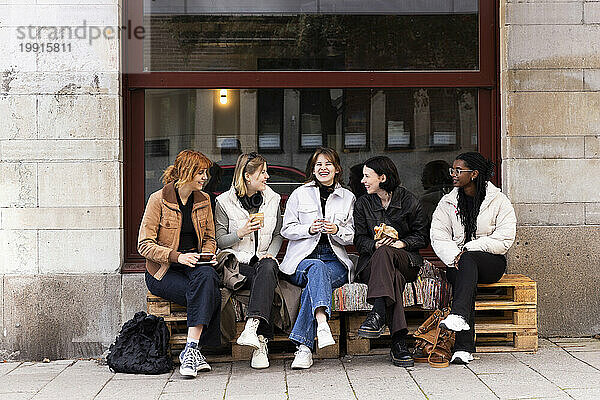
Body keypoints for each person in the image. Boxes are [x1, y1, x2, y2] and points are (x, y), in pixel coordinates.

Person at [138, 149, 219, 378]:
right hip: (163, 271)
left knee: (208, 277)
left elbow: (210, 238)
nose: (205, 177)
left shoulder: (204, 200)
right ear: (186, 173)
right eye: (200, 173)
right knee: (209, 292)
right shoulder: (158, 200)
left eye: (206, 173)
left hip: (194, 264)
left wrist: (207, 255)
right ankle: (196, 351)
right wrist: (177, 256)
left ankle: (190, 350)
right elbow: (144, 245)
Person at [431, 152, 516, 365]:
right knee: (464, 272)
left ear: (475, 174)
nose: (453, 174)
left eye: (459, 170)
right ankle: (462, 346)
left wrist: (468, 249)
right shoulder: (447, 202)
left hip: (491, 262)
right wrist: (455, 256)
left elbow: (504, 238)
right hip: (457, 262)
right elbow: (438, 237)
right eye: (453, 170)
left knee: (467, 264)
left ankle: (463, 339)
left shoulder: (498, 201)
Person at [280, 147, 355, 369]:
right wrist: (309, 229)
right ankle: (321, 323)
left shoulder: (347, 197)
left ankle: (304, 348)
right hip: (303, 259)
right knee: (316, 268)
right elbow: (286, 229)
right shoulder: (299, 194)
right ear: (312, 170)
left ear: (337, 169)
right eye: (318, 165)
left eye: (328, 164)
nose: (323, 168)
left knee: (315, 281)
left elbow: (352, 236)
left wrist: (336, 230)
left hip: (335, 261)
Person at [353, 156, 429, 368]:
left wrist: (402, 243)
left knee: (389, 254)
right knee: (393, 276)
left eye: (367, 176)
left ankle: (377, 312)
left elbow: (422, 237)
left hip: (406, 261)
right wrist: (375, 246)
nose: (363, 181)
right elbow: (359, 239)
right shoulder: (363, 203)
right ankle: (399, 342)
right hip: (372, 265)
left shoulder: (410, 201)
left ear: (383, 178)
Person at [215, 152, 283, 369]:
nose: (267, 176)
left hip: (264, 261)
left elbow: (278, 234)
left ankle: (252, 329)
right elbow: (220, 241)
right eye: (262, 172)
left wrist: (271, 252)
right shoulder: (223, 202)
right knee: (267, 281)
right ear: (247, 176)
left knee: (268, 266)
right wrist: (241, 232)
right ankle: (261, 342)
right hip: (237, 264)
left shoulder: (273, 199)